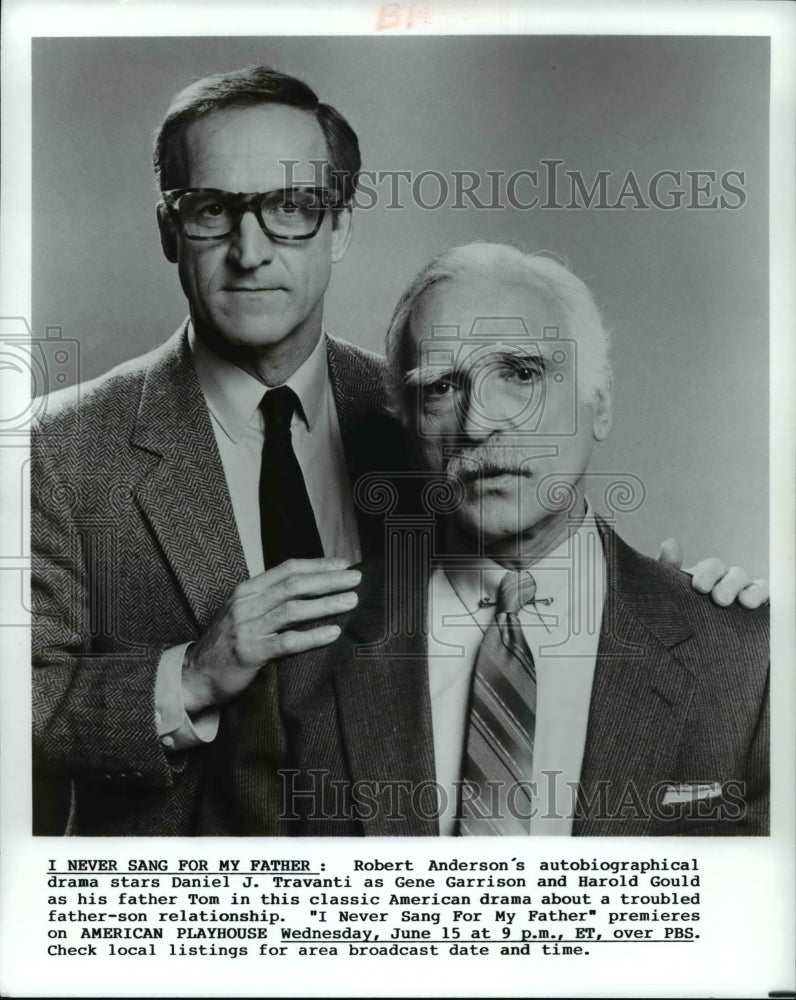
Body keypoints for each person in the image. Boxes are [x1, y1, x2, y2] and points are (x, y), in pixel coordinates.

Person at [32, 67, 766, 836]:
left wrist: (677, 605)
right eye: (212, 210)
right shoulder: (57, 448)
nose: (251, 251)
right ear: (169, 228)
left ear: (340, 227)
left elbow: (535, 541)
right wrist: (189, 676)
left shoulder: (417, 405)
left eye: (292, 207)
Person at [274, 244, 769, 836]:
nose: (479, 422)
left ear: (600, 403)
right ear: (406, 422)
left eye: (522, 374)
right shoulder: (301, 659)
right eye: (441, 387)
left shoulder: (749, 658)